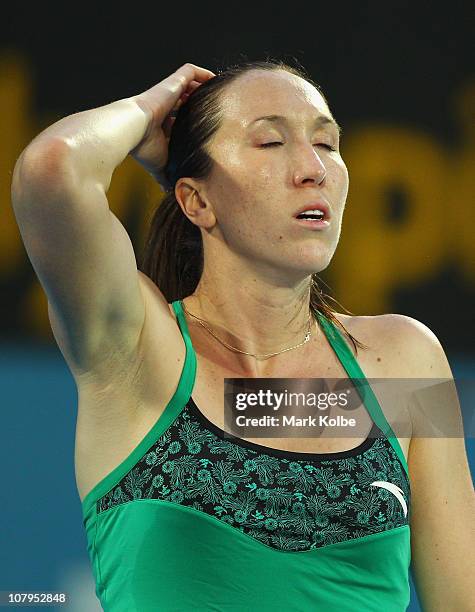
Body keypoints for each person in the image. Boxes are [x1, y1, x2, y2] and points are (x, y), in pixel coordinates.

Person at [11, 61, 474, 611]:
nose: (312, 168)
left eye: (327, 144)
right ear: (196, 201)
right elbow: (52, 166)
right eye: (271, 141)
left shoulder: (404, 359)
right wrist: (149, 110)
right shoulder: (137, 350)